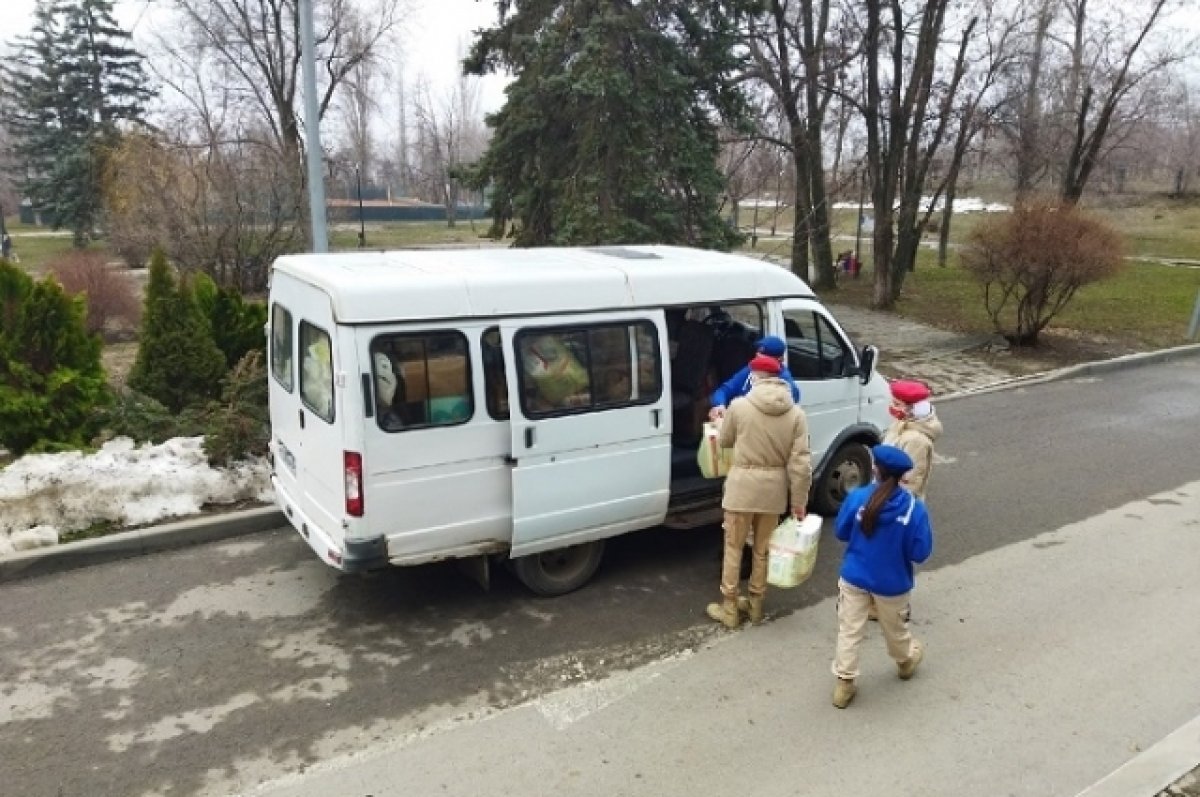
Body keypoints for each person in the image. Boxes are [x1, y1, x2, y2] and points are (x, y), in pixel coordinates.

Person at [705, 354, 812, 629]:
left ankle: (729, 607)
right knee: (763, 550)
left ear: (754, 377)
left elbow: (726, 441)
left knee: (733, 548)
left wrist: (720, 422)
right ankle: (755, 605)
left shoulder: (740, 406)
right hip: (774, 491)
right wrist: (799, 502)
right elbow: (801, 463)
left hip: (742, 487)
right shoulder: (796, 414)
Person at [830, 444, 933, 709]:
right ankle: (905, 662)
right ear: (902, 476)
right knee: (895, 628)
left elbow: (841, 531)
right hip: (891, 584)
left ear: (875, 469)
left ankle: (844, 683)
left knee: (849, 629)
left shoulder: (857, 498)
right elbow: (920, 552)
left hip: (854, 576)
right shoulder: (913, 509)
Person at [708, 335, 800, 421]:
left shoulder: (787, 386)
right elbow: (725, 390)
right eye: (757, 357)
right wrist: (719, 405)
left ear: (779, 360)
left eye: (763, 361)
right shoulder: (749, 370)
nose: (757, 364)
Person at [882, 380, 943, 500]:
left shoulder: (916, 440)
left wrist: (888, 501)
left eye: (897, 404)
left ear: (913, 409)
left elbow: (911, 479)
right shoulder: (904, 423)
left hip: (895, 500)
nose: (892, 407)